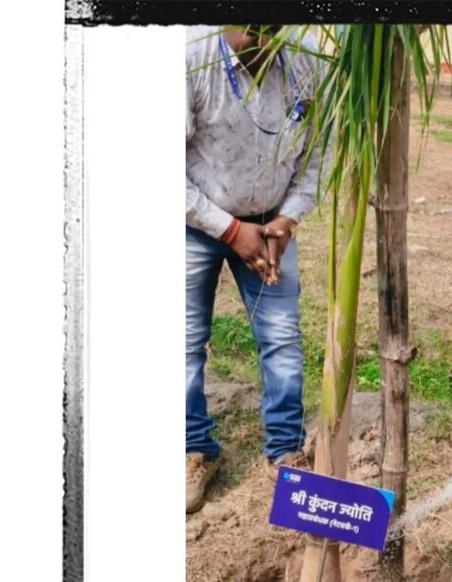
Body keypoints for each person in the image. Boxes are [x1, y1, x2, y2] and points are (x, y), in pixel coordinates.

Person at [185, 25, 322, 514]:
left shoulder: (308, 64)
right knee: (183, 341)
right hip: (194, 222)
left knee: (282, 338)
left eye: (270, 24)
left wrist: (287, 220)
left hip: (271, 229)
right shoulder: (190, 55)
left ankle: (285, 453)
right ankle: (194, 450)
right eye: (246, 23)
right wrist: (228, 230)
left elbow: (315, 158)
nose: (259, 34)